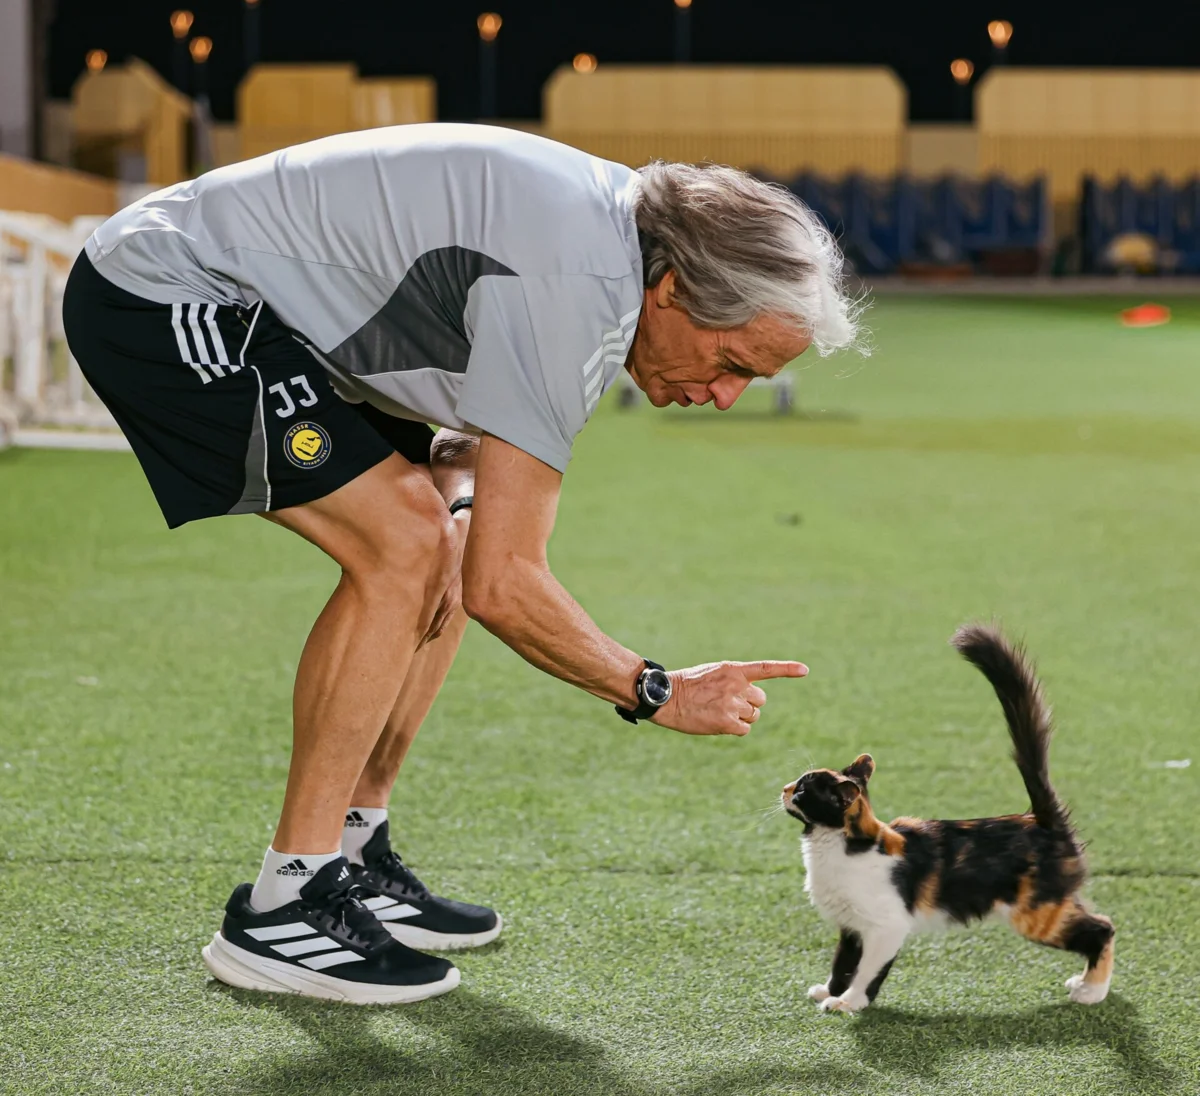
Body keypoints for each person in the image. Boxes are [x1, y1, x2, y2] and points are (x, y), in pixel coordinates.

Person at [63, 123, 862, 1005]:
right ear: (674, 290)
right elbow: (506, 587)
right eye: (730, 363)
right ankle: (284, 904)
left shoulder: (611, 253)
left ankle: (352, 850)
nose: (722, 397)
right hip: (167, 290)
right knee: (407, 546)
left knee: (442, 535)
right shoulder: (584, 283)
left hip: (295, 325)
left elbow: (470, 461)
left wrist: (463, 510)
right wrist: (657, 690)